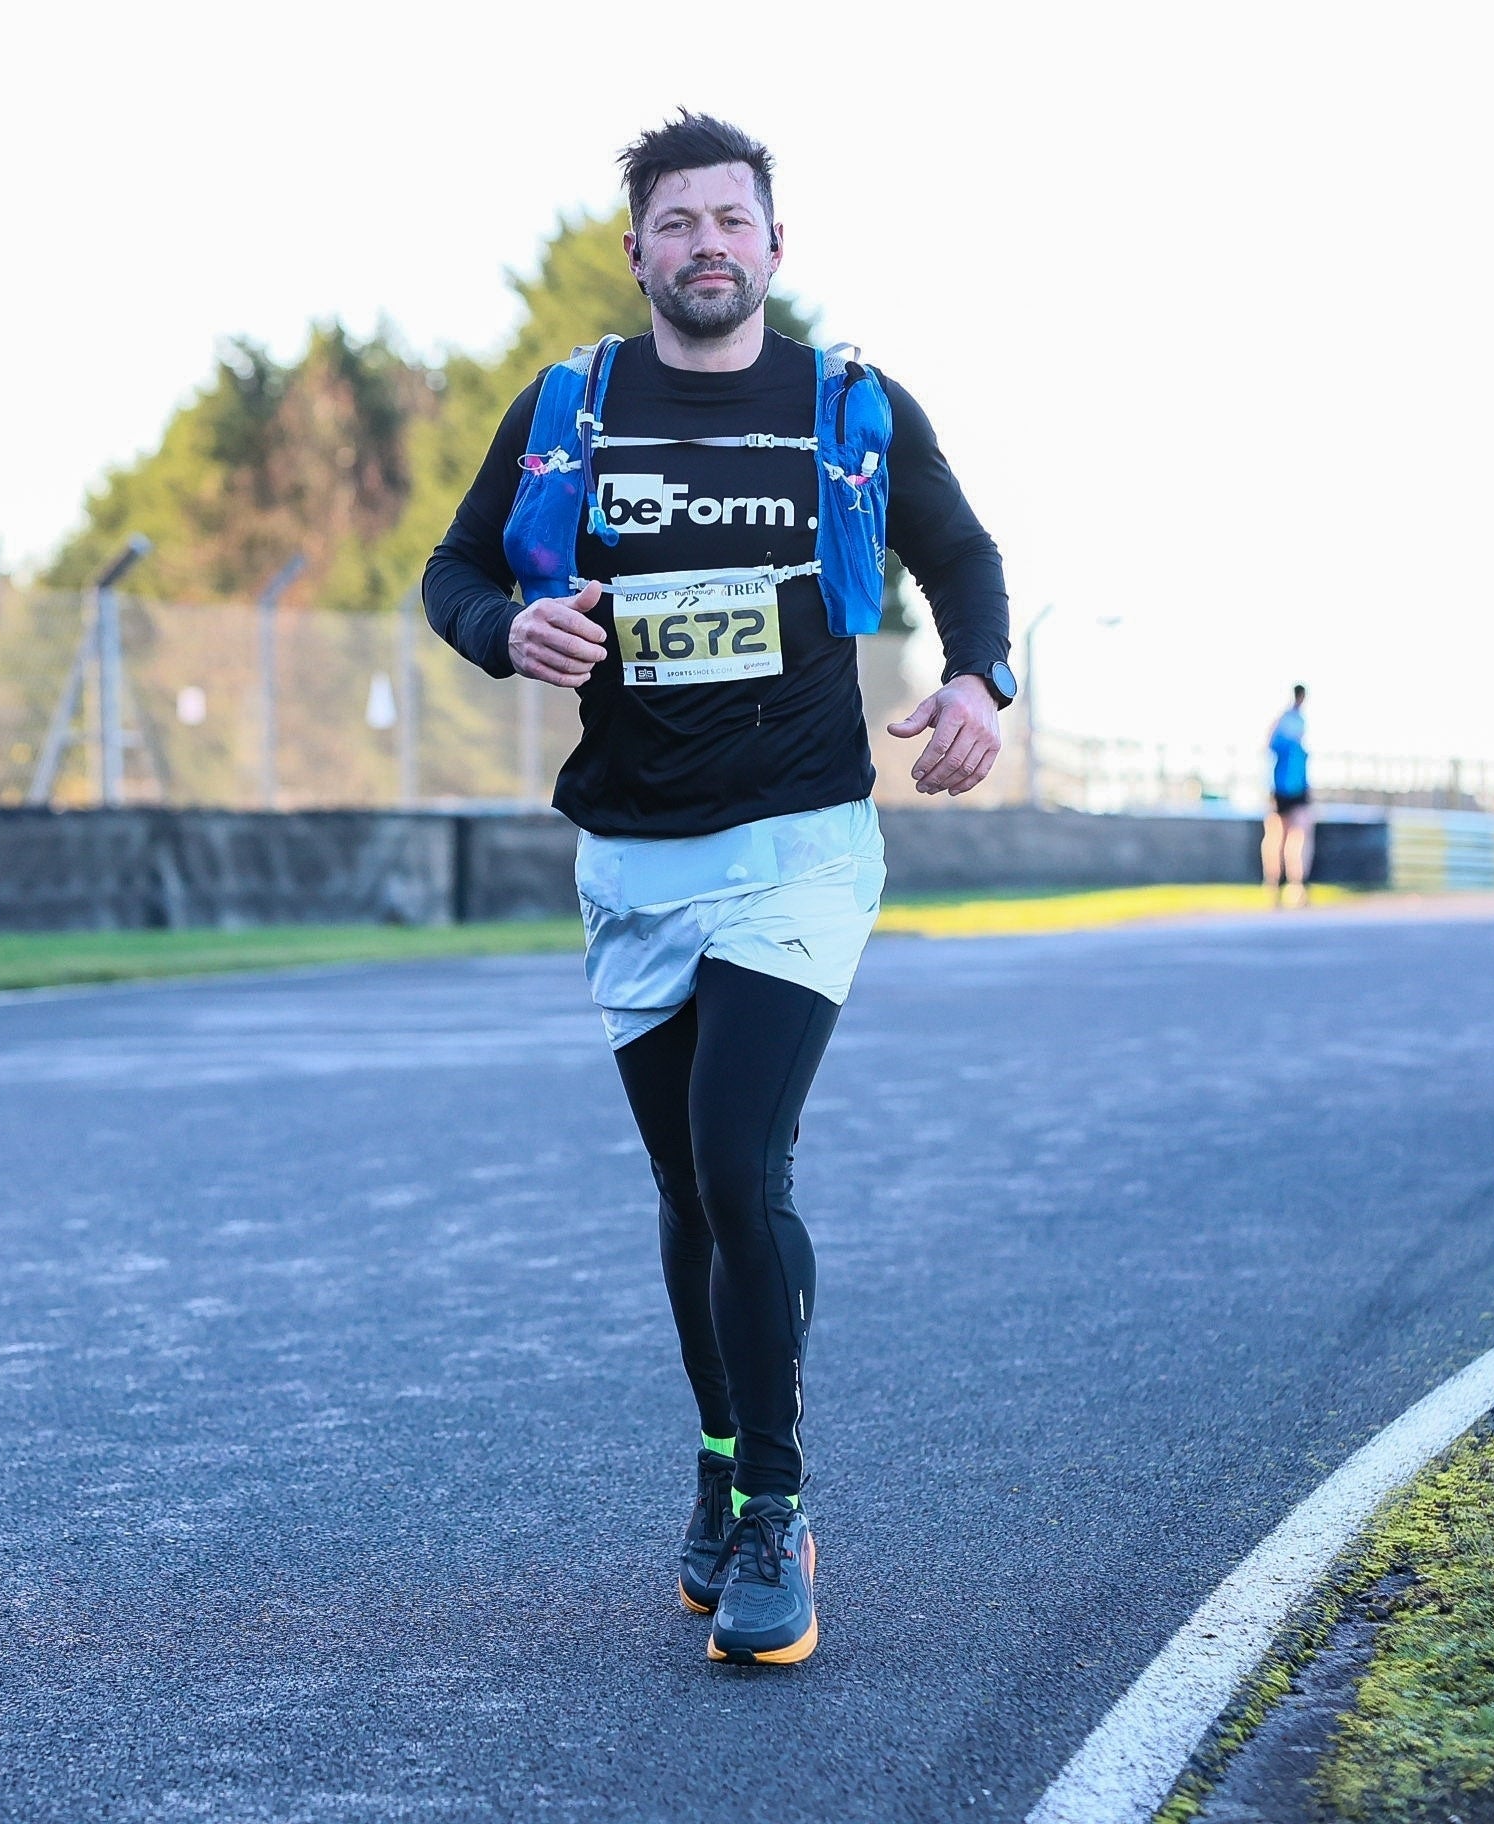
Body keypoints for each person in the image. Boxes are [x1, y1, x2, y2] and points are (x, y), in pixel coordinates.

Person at [424, 112, 1012, 1666]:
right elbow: (457, 571)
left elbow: (962, 556)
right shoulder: (574, 405)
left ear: (772, 245)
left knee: (742, 1170)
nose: (703, 245)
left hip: (801, 844)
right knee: (690, 1194)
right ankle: (721, 1452)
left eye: (729, 221)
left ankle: (777, 1510)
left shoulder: (851, 405)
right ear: (638, 254)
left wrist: (982, 685)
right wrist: (508, 634)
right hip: (633, 852)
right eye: (674, 223)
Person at [1265, 685, 1313, 908]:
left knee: (1300, 836)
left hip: (1298, 789)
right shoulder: (1284, 722)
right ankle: (1274, 887)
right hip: (1281, 788)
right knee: (1279, 838)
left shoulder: (1299, 721)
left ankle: (1298, 887)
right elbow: (1272, 749)